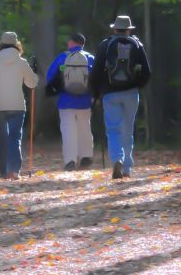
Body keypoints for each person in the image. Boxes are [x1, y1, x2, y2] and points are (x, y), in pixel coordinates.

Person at [90, 15, 151, 179]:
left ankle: (117, 159)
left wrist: (95, 95)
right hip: (131, 93)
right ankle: (127, 169)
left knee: (113, 129)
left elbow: (95, 72)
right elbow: (147, 71)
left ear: (115, 29)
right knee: (128, 130)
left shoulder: (105, 45)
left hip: (110, 94)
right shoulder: (137, 45)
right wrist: (138, 85)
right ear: (129, 29)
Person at [0, 32, 39, 180]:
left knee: (2, 139)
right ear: (16, 44)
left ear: (1, 44)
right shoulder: (22, 62)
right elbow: (32, 83)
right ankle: (14, 170)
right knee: (15, 138)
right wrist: (35, 73)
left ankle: (4, 171)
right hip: (17, 106)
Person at [46, 33, 95, 171]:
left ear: (71, 43)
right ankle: (86, 156)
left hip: (66, 100)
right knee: (85, 126)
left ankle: (70, 160)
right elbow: (97, 78)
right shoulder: (90, 58)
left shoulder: (62, 57)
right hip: (85, 100)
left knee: (68, 130)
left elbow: (50, 77)